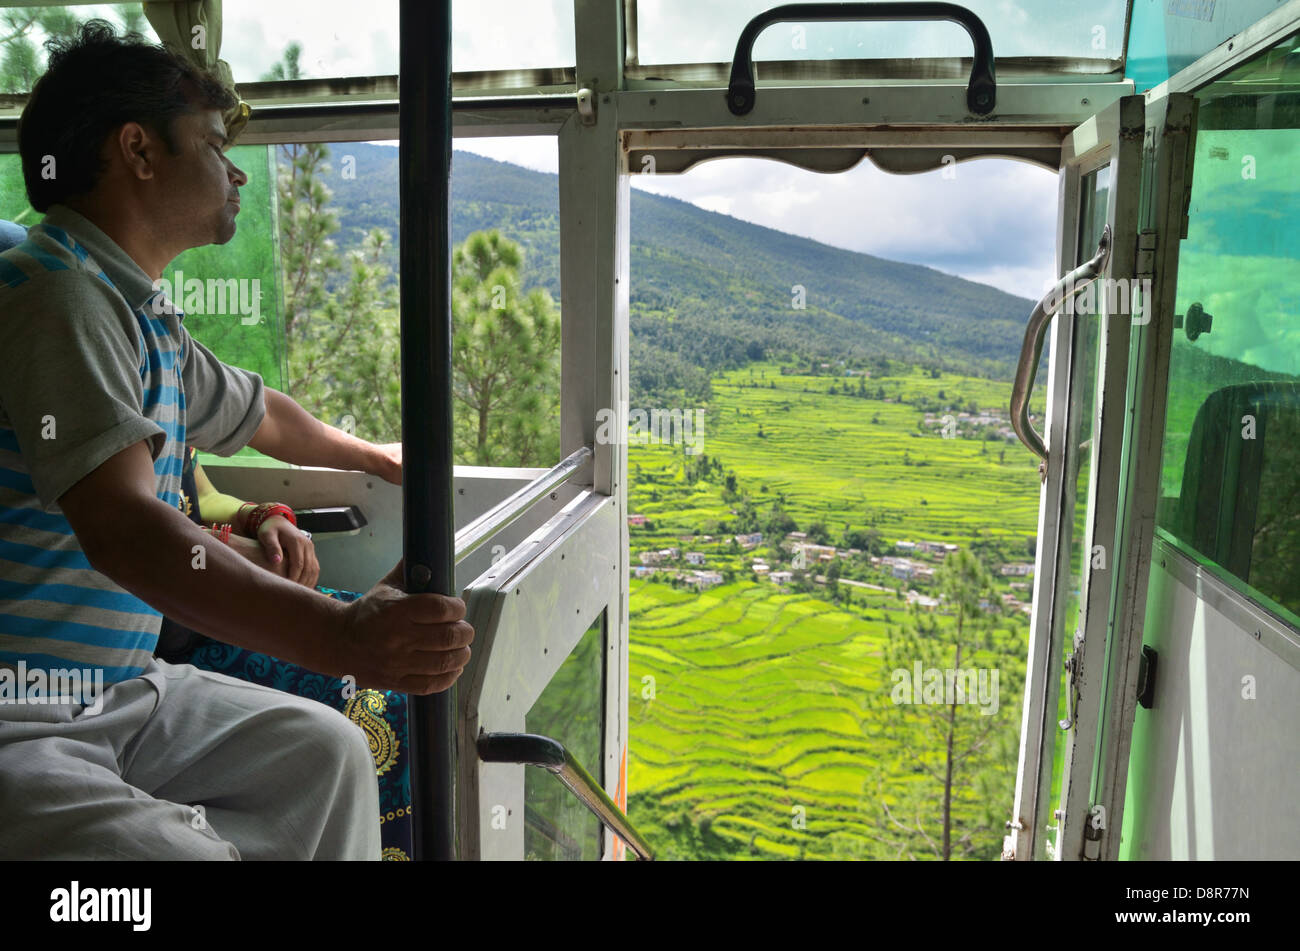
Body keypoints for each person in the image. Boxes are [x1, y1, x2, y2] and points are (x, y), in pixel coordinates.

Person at [0, 22, 472, 860]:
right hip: (23, 711)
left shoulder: (137, 310)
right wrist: (343, 637)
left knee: (327, 755)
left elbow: (266, 417)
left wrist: (376, 457)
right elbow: (126, 532)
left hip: (121, 689)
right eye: (216, 146)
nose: (236, 170)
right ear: (139, 151)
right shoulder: (57, 297)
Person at [157, 447, 415, 860]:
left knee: (411, 683)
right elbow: (127, 535)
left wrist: (261, 517)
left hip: (230, 599)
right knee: (387, 706)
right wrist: (230, 551)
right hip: (171, 631)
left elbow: (201, 499)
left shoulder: (177, 391)